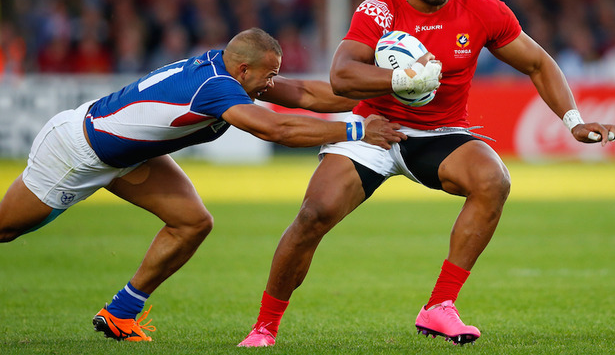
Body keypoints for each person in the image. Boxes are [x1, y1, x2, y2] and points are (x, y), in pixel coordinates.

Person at [239, 0, 615, 347]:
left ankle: (440, 306)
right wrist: (401, 79)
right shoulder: (379, 9)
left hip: (439, 131)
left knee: (494, 181)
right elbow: (341, 76)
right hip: (376, 127)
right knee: (314, 215)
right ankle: (264, 327)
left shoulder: (481, 9)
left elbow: (537, 63)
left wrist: (573, 120)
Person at [0, 28, 408, 342]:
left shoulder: (228, 69)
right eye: (269, 76)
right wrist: (356, 127)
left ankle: (120, 313)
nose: (273, 84)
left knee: (192, 222)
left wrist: (391, 87)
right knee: (7, 228)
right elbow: (276, 127)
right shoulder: (215, 88)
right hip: (77, 151)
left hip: (125, 156)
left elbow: (303, 93)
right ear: (244, 70)